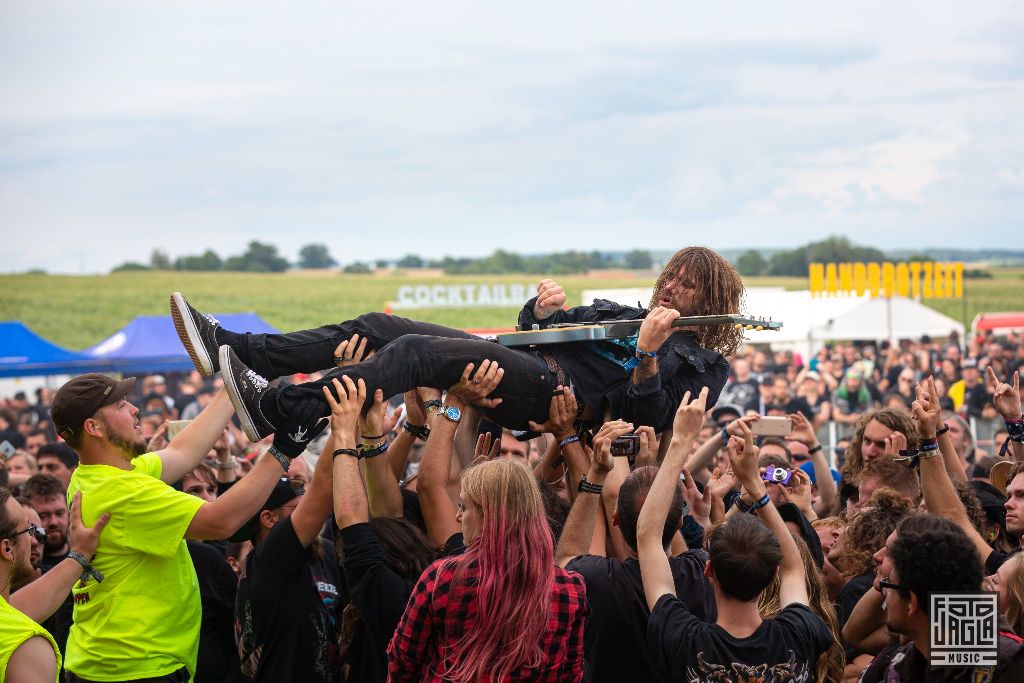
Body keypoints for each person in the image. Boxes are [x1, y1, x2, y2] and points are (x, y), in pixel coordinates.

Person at [170, 246, 742, 441]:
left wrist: (646, 354)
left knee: (416, 353)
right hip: (523, 360)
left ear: (710, 301)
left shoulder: (705, 363)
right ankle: (241, 347)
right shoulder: (623, 311)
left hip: (557, 395)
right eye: (670, 275)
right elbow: (550, 329)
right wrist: (541, 310)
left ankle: (283, 409)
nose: (670, 286)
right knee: (382, 327)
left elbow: (652, 417)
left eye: (687, 284)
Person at [50, 373, 321, 682]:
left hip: (116, 661)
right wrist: (283, 451)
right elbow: (221, 522)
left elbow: (183, 452)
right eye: (123, 405)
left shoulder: (99, 475)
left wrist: (232, 384)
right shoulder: (121, 492)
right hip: (133, 669)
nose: (135, 410)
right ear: (94, 427)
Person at [639, 390, 832, 681]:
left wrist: (680, 443)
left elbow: (648, 536)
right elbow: (795, 565)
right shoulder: (796, 634)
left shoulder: (685, 639)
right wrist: (756, 485)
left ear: (708, 570)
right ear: (773, 575)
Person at [386, 441, 588, 679]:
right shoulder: (569, 589)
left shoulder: (443, 579)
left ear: (489, 515)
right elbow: (571, 674)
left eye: (464, 506)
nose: (458, 516)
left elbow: (402, 661)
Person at [879, 526, 1024, 681]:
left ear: (911, 603)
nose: (885, 595)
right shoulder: (906, 663)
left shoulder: (1008, 663)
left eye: (888, 585)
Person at [0, 486, 107, 683]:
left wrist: (79, 555)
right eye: (28, 530)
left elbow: (13, 610)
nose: (34, 541)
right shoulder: (24, 646)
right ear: (7, 547)